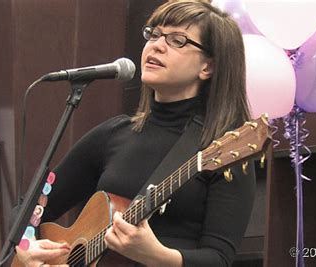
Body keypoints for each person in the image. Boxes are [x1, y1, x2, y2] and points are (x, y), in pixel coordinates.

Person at [16, 0, 256, 266]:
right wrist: (27, 246)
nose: (157, 45)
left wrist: (158, 256)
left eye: (177, 40)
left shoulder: (226, 148)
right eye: (154, 34)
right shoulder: (113, 134)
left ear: (207, 67)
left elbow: (220, 258)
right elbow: (29, 211)